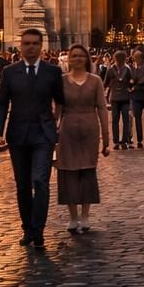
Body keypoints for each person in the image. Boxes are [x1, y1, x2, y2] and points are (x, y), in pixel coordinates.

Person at [0, 28, 65, 250]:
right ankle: (27, 227)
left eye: (35, 43)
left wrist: (56, 121)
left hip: (43, 133)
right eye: (27, 43)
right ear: (20, 46)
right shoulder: (10, 72)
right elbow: (2, 102)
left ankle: (39, 228)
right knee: (22, 185)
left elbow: (60, 99)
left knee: (40, 181)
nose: (31, 47)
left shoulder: (52, 72)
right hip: (18, 133)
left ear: (41, 46)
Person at [57, 44, 111, 234]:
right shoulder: (61, 81)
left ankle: (85, 214)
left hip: (89, 129)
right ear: (68, 59)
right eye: (74, 56)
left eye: (81, 56)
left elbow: (102, 109)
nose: (78, 59)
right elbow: (57, 110)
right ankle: (72, 216)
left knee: (88, 171)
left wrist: (106, 137)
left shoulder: (95, 81)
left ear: (87, 59)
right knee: (68, 171)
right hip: (67, 129)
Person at [104, 51, 134, 150]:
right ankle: (122, 141)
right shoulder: (126, 70)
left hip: (118, 98)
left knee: (118, 120)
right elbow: (131, 83)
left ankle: (119, 141)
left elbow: (105, 83)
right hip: (121, 97)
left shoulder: (112, 70)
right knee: (121, 120)